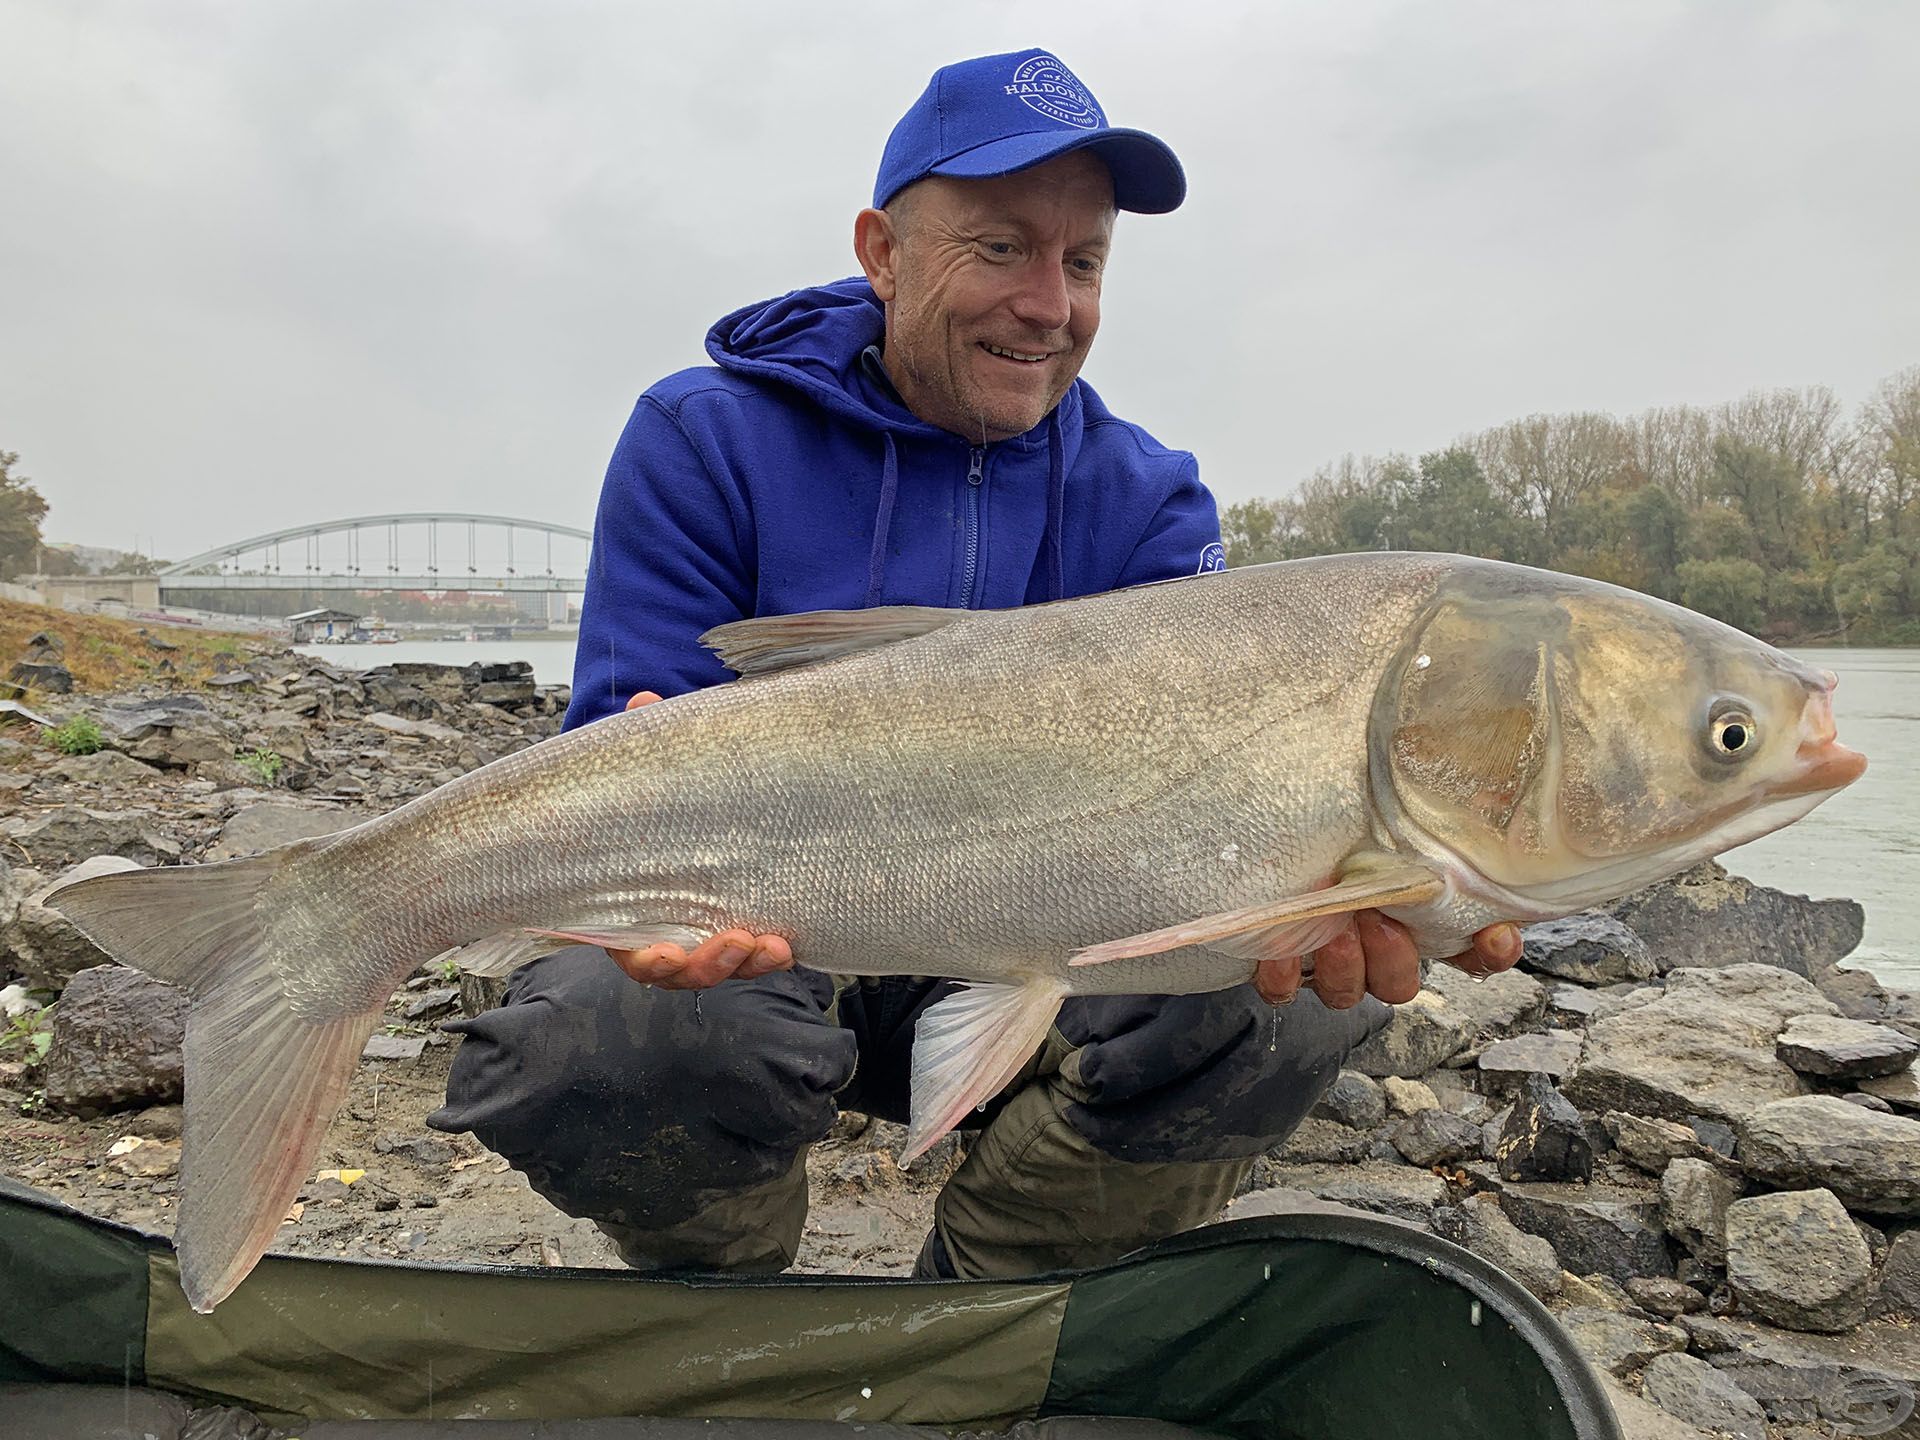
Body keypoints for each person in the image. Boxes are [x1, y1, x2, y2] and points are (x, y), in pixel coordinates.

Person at [429, 48, 1519, 1280]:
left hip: (1053, 944)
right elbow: (617, 751)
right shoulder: (706, 437)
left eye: (1084, 261)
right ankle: (721, 1302)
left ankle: (991, 1315)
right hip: (781, 954)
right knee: (616, 1031)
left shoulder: (1148, 500)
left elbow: (1238, 798)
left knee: (1287, 1005)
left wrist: (1362, 878)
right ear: (883, 252)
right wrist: (633, 916)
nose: (1049, 304)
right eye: (1001, 247)